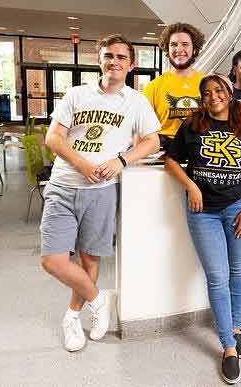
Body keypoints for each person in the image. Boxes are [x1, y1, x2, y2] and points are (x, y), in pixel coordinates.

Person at [40, 34, 161, 352]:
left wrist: (122, 160)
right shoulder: (76, 95)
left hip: (102, 192)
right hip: (64, 186)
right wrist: (81, 164)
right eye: (109, 56)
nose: (115, 62)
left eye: (122, 57)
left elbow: (152, 141)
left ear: (131, 65)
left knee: (89, 259)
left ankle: (73, 317)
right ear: (100, 60)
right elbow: (53, 138)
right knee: (53, 260)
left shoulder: (136, 101)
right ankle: (98, 299)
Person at [165, 75, 241, 384]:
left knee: (239, 269)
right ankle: (229, 346)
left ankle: (235, 324)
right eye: (207, 93)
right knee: (218, 277)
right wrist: (191, 186)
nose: (213, 96)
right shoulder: (193, 125)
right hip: (203, 212)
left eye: (219, 90)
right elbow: (171, 160)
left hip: (238, 208)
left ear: (230, 94)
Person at [143, 23, 206, 151]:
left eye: (185, 44)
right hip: (164, 152)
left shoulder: (207, 83)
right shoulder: (154, 86)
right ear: (167, 48)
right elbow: (142, 129)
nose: (179, 49)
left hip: (200, 150)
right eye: (174, 44)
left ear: (194, 49)